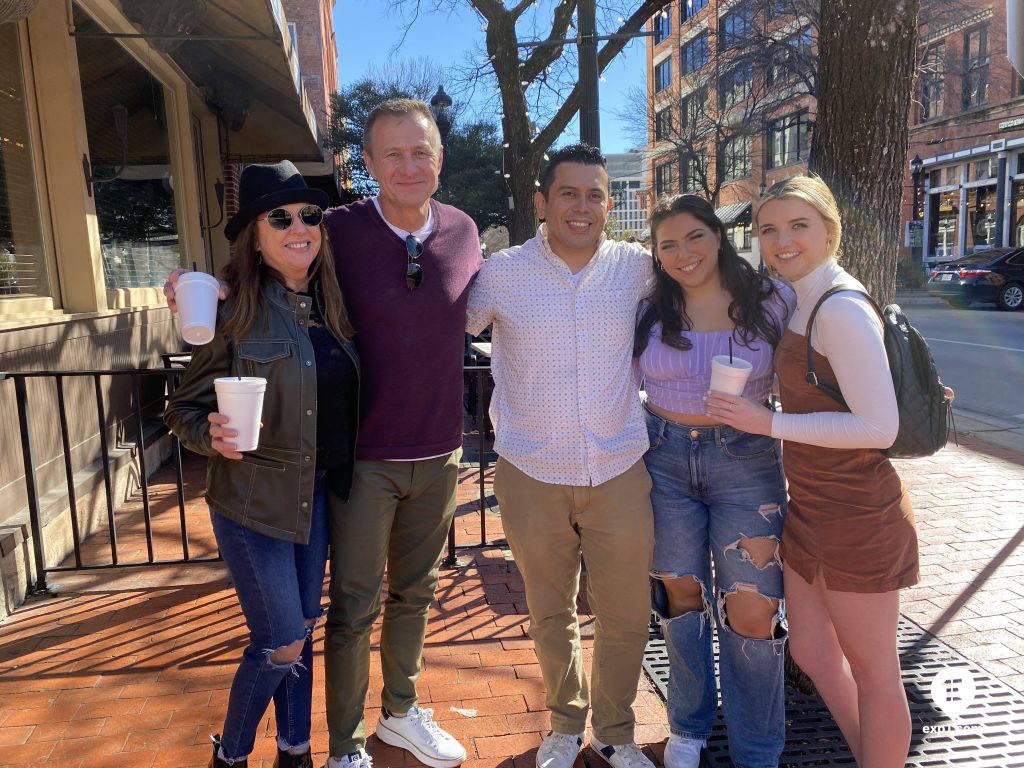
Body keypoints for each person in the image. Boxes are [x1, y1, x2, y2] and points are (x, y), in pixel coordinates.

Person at [165, 99, 481, 768]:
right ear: (367, 164)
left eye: (420, 151)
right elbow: (260, 262)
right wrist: (200, 291)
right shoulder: (335, 231)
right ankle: (331, 747)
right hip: (336, 471)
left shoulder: (460, 232)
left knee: (395, 600)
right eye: (391, 153)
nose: (408, 165)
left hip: (408, 461)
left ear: (440, 158)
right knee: (324, 621)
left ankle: (354, 729)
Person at [706, 175, 920, 767]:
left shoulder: (840, 307)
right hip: (813, 508)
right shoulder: (799, 297)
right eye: (769, 229)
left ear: (830, 229)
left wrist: (765, 422)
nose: (782, 240)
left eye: (799, 225)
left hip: (859, 514)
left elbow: (880, 428)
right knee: (812, 650)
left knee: (877, 673)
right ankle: (871, 755)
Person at [466, 144, 656, 768]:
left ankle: (618, 732)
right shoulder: (501, 273)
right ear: (542, 202)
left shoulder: (639, 269)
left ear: (610, 203)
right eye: (568, 194)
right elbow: (429, 319)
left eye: (595, 194)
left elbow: (717, 284)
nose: (582, 206)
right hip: (530, 469)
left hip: (619, 466)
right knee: (550, 610)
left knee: (626, 612)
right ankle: (564, 722)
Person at [164, 160, 359, 768]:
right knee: (279, 642)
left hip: (316, 495)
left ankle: (295, 751)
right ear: (254, 234)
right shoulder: (232, 309)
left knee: (300, 627)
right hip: (250, 499)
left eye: (309, 215)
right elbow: (182, 409)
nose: (298, 225)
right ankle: (233, 752)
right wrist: (209, 434)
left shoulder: (336, 303)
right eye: (280, 217)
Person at [635, 194, 794, 768]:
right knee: (681, 596)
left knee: (753, 606)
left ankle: (757, 747)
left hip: (747, 461)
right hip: (665, 456)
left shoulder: (772, 300)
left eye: (695, 237)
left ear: (718, 236)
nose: (684, 253)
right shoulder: (649, 306)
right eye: (668, 244)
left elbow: (814, 368)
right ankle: (689, 726)